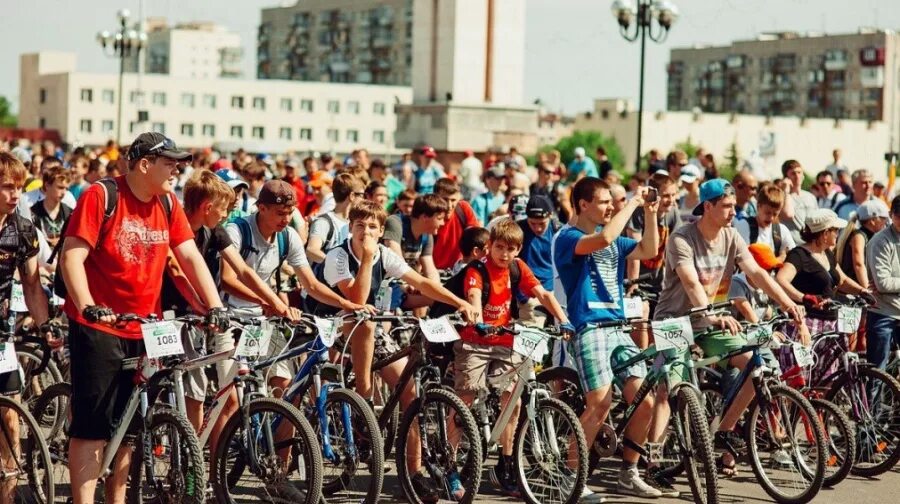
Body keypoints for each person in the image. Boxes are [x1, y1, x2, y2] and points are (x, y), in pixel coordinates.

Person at [59, 133, 227, 504]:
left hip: (146, 325)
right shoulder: (101, 196)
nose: (177, 170)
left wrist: (214, 306)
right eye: (169, 163)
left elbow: (189, 256)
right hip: (100, 325)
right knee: (93, 428)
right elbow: (72, 257)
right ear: (144, 164)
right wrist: (87, 304)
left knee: (130, 426)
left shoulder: (168, 202)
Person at [321, 200, 477, 499]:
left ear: (382, 231)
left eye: (372, 227)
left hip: (370, 327)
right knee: (362, 321)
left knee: (411, 394)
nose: (365, 232)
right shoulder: (338, 256)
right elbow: (356, 296)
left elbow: (420, 281)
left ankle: (414, 472)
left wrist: (460, 303)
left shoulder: (382, 254)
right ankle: (364, 396)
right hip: (333, 327)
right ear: (350, 227)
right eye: (359, 226)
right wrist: (366, 259)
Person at [654, 178, 804, 479]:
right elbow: (691, 282)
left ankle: (724, 430)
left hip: (712, 321)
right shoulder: (682, 239)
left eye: (734, 206)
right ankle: (653, 459)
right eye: (725, 206)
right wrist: (709, 314)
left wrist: (788, 303)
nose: (732, 212)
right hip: (673, 320)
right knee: (669, 386)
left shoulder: (732, 236)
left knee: (755, 365)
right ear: (707, 206)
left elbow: (757, 273)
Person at [159, 170, 293, 447]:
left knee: (212, 393)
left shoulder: (214, 231)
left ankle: (197, 461)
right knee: (178, 389)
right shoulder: (174, 225)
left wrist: (276, 303)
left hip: (206, 316)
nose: (227, 215)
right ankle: (176, 449)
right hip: (170, 314)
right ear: (208, 207)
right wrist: (204, 306)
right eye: (224, 209)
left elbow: (243, 269)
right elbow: (176, 270)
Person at [553, 177, 662, 500]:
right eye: (603, 202)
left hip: (618, 327)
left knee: (645, 401)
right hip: (588, 328)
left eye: (611, 203)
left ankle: (628, 472)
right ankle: (569, 476)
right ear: (584, 204)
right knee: (599, 404)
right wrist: (631, 202)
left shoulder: (614, 237)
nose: (610, 206)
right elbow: (604, 238)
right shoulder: (569, 237)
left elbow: (650, 249)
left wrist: (652, 212)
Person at [455, 218, 570, 497]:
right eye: (499, 247)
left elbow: (542, 293)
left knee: (514, 400)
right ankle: (450, 464)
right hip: (475, 341)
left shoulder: (518, 268)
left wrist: (564, 321)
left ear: (518, 250)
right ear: (489, 247)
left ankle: (506, 465)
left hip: (506, 340)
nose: (505, 254)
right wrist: (479, 320)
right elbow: (473, 295)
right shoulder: (476, 270)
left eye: (511, 248)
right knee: (465, 399)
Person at [220, 180, 365, 396]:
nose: (286, 219)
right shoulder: (237, 230)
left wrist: (345, 303)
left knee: (288, 391)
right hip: (229, 319)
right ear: (261, 208)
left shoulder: (288, 236)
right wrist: (270, 302)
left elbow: (312, 284)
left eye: (290, 212)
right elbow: (228, 281)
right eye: (280, 213)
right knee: (231, 400)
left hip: (263, 320)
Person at [0, 152, 55, 503]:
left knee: (9, 420)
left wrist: (47, 326)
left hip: (1, 337)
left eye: (19, 187)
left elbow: (33, 285)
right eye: (7, 187)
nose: (15, 194)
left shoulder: (22, 228)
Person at [775, 209, 871, 374]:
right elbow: (781, 280)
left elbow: (841, 280)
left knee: (828, 375)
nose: (838, 234)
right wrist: (804, 297)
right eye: (835, 230)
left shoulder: (827, 253)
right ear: (825, 233)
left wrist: (862, 291)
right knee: (804, 376)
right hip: (806, 324)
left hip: (830, 324)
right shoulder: (799, 255)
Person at [864, 195, 900, 370]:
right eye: (899, 215)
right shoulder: (880, 241)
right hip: (883, 312)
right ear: (891, 214)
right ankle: (874, 399)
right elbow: (883, 283)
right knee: (878, 371)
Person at [515, 195, 558, 327]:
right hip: (530, 296)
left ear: (550, 216)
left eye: (542, 223)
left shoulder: (558, 231)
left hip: (555, 293)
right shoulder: (518, 230)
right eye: (532, 223)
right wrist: (522, 297)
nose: (537, 228)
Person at [382, 194, 445, 280]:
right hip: (388, 283)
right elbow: (397, 264)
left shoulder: (427, 235)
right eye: (439, 218)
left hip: (409, 283)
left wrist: (437, 289)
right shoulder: (396, 223)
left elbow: (430, 271)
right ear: (425, 217)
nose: (443, 223)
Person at [306, 173, 365, 264]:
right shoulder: (324, 222)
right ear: (352, 196)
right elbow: (311, 250)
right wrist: (338, 266)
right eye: (361, 195)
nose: (364, 200)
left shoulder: (354, 223)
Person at [734, 184, 796, 260]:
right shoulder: (743, 225)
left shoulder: (781, 230)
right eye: (767, 213)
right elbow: (746, 259)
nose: (771, 217)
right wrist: (781, 258)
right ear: (758, 206)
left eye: (775, 214)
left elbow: (794, 256)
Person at [17, 156, 78, 221]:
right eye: (46, 170)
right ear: (40, 172)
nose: (50, 175)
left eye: (55, 171)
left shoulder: (69, 199)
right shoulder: (25, 199)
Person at [29, 165, 73, 248]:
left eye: (66, 189)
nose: (64, 192)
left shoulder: (70, 213)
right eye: (60, 187)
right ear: (47, 185)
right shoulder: (33, 213)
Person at [780, 160, 818, 244]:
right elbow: (787, 215)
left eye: (799, 172)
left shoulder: (811, 197)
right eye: (793, 173)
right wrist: (786, 191)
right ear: (786, 178)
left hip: (811, 244)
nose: (797, 176)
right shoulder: (782, 197)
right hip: (792, 245)